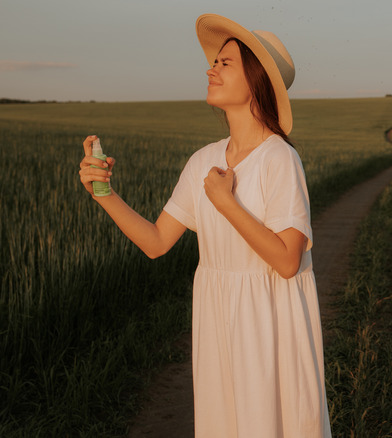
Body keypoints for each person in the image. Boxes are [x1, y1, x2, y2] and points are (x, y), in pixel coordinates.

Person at [78, 14, 332, 437]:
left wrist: (225, 202)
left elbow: (288, 261)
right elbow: (157, 242)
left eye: (225, 63)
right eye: (215, 61)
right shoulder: (203, 160)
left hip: (269, 325)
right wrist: (103, 194)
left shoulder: (279, 159)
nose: (210, 69)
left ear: (257, 81)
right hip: (218, 319)